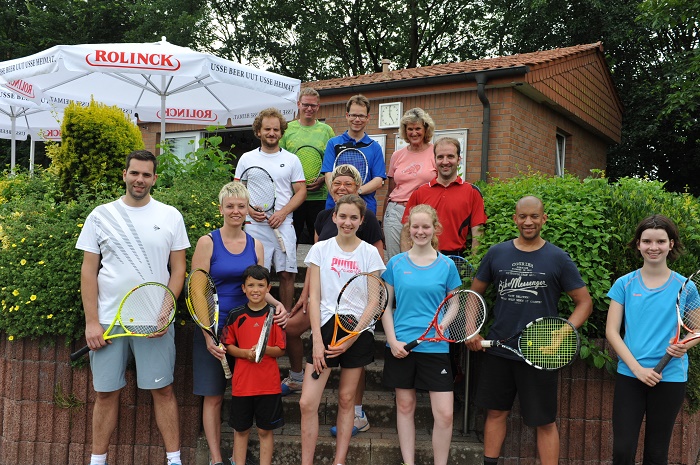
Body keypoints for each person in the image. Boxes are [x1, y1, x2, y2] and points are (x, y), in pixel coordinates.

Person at [76, 150, 190, 465]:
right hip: (108, 321)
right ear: (125, 174)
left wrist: (166, 311)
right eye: (135, 173)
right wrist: (91, 322)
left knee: (163, 391)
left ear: (154, 178)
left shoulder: (170, 216)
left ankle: (174, 460)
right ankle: (97, 461)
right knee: (105, 394)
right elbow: (88, 271)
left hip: (154, 321)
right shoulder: (100, 215)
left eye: (146, 175)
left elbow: (179, 269)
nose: (140, 179)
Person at [466, 195, 593, 465]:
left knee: (544, 421)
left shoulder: (558, 258)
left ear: (544, 219)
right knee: (495, 413)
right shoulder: (497, 253)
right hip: (499, 350)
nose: (528, 221)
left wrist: (561, 333)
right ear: (515, 219)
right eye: (522, 216)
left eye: (534, 216)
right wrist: (470, 330)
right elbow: (474, 296)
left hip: (540, 353)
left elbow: (584, 303)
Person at [190, 181, 286, 465]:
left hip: (247, 332)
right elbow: (197, 291)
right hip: (213, 329)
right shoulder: (207, 242)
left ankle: (238, 458)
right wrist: (208, 334)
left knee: (244, 395)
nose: (235, 211)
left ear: (247, 210)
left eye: (241, 206)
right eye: (230, 206)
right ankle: (217, 459)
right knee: (214, 396)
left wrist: (277, 304)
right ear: (221, 209)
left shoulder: (256, 244)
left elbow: (259, 286)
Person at [285, 165, 383, 436]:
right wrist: (305, 294)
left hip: (355, 312)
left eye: (348, 183)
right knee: (291, 328)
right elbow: (316, 262)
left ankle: (357, 411)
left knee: (354, 367)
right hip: (323, 304)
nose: (341, 187)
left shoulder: (367, 218)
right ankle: (297, 377)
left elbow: (376, 264)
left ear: (357, 188)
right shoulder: (322, 217)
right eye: (337, 182)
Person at [299, 194, 386, 465]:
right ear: (334, 217)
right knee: (306, 403)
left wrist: (352, 338)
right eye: (343, 216)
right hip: (326, 327)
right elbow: (314, 297)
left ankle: (339, 461)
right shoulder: (320, 250)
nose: (348, 222)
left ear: (361, 221)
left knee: (347, 399)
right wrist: (316, 340)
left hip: (358, 331)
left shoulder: (370, 253)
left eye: (354, 218)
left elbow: (374, 301)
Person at [606, 214, 696, 465]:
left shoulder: (685, 287)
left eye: (660, 241)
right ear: (638, 244)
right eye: (647, 241)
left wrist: (684, 346)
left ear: (671, 244)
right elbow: (612, 331)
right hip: (631, 375)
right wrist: (637, 370)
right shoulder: (624, 284)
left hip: (670, 377)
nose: (653, 247)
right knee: (622, 450)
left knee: (656, 453)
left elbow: (697, 329)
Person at [381, 204, 462, 465]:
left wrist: (443, 325)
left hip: (436, 348)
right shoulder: (395, 263)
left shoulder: (447, 265)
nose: (420, 231)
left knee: (445, 414)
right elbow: (385, 306)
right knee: (405, 407)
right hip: (402, 346)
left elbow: (454, 303)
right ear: (408, 228)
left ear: (435, 228)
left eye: (426, 226)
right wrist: (392, 341)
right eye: (415, 226)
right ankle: (408, 462)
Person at [234, 107, 307, 317]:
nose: (271, 133)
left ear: (281, 132)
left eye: (276, 129)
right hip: (254, 227)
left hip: (284, 225)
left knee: (287, 274)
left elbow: (301, 191)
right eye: (267, 129)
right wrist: (248, 210)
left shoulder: (292, 160)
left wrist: (282, 213)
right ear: (259, 131)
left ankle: (286, 319)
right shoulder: (246, 159)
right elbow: (237, 190)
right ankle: (256, 318)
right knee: (256, 276)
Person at [222, 265, 286, 465]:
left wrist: (262, 349)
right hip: (242, 385)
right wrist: (245, 354)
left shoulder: (275, 315)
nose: (255, 289)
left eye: (260, 285)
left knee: (264, 431)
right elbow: (228, 345)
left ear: (268, 288)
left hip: (268, 386)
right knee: (241, 431)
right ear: (243, 288)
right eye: (250, 285)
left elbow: (281, 349)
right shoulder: (235, 315)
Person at [401, 137, 486, 255]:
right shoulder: (419, 192)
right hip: (423, 257)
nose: (445, 162)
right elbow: (406, 230)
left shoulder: (472, 192)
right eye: (440, 157)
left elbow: (478, 233)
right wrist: (407, 260)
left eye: (450, 156)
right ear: (435, 160)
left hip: (455, 259)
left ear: (459, 159)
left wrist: (473, 263)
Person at [279, 87, 335, 245]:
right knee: (290, 241)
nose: (309, 108)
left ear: (318, 106)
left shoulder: (327, 131)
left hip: (320, 197)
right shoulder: (287, 130)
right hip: (292, 197)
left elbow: (333, 163)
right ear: (298, 104)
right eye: (305, 105)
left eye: (313, 105)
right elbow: (279, 161)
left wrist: (323, 179)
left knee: (321, 242)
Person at [382, 108, 436, 261]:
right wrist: (383, 223)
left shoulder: (435, 152)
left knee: (421, 257)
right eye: (410, 129)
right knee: (396, 259)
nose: (414, 133)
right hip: (396, 210)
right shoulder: (397, 155)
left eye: (418, 128)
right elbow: (390, 192)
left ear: (426, 130)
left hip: (423, 211)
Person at [321, 94, 386, 214]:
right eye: (353, 115)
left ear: (368, 118)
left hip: (365, 209)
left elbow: (378, 180)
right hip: (334, 208)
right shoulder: (333, 143)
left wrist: (356, 192)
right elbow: (328, 175)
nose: (357, 120)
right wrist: (337, 196)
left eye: (361, 116)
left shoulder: (375, 147)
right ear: (347, 115)